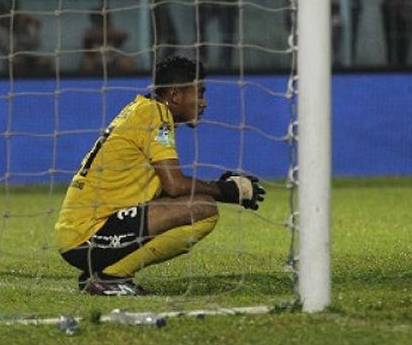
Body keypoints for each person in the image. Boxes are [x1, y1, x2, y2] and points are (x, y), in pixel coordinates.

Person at [55, 55, 265, 295]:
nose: (203, 102)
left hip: (82, 234)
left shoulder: (142, 109)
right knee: (203, 210)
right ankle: (110, 277)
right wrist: (226, 191)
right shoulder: (156, 115)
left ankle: (104, 274)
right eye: (199, 93)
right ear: (175, 96)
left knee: (194, 202)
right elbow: (175, 185)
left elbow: (167, 191)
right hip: (88, 236)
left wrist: (220, 187)